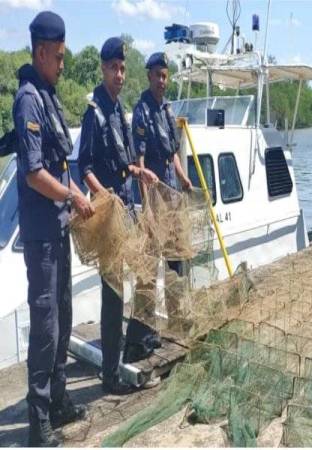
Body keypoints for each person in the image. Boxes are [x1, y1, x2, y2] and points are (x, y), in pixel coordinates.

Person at [14, 11, 94, 447]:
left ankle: (59, 401)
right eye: (59, 57)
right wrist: (71, 196)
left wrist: (75, 192)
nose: (63, 64)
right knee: (45, 327)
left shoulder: (49, 96)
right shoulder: (28, 99)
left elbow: (61, 161)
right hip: (42, 234)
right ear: (42, 52)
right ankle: (38, 421)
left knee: (62, 318)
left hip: (59, 229)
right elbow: (32, 174)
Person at [78, 36, 158, 395]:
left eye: (124, 68)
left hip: (126, 208)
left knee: (133, 280)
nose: (120, 74)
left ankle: (129, 347)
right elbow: (85, 168)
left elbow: (124, 161)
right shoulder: (94, 111)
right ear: (103, 68)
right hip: (109, 214)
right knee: (112, 294)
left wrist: (139, 172)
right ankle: (110, 376)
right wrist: (102, 197)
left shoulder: (117, 109)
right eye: (114, 68)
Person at [130, 52, 192, 345]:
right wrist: (148, 209)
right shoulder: (142, 110)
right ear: (148, 76)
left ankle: (177, 319)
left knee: (175, 259)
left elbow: (171, 154)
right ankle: (146, 329)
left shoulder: (168, 109)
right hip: (153, 198)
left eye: (165, 76)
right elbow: (140, 160)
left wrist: (182, 177)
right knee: (150, 265)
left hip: (171, 196)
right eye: (157, 75)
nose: (162, 81)